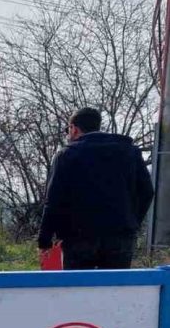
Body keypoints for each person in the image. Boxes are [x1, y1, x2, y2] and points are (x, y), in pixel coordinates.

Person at [37, 107, 153, 270]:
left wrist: (45, 241)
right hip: (120, 235)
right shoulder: (130, 152)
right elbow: (147, 191)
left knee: (79, 289)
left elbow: (54, 200)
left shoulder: (66, 155)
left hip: (77, 237)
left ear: (74, 129)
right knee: (115, 290)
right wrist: (132, 222)